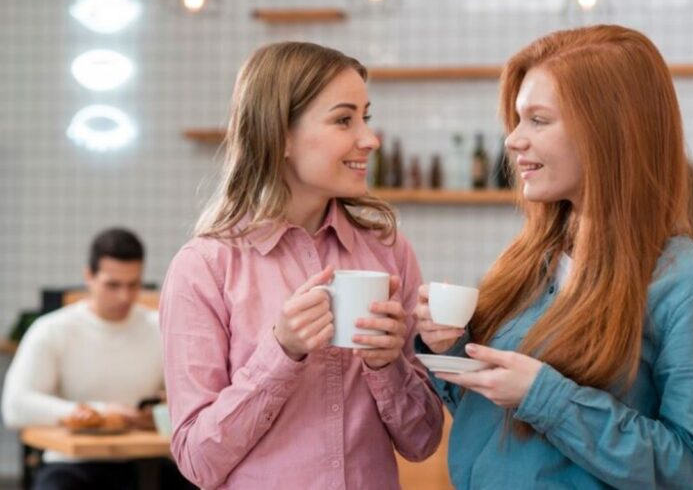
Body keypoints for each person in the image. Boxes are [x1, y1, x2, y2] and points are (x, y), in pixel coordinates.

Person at [415, 25, 693, 489]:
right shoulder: (530, 262)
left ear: (608, 130)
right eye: (516, 119)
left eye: (539, 120)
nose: (512, 140)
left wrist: (543, 396)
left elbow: (690, 473)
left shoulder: (689, 289)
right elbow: (497, 428)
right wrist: (448, 347)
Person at [159, 41, 443, 489]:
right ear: (281, 135)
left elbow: (423, 440)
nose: (369, 139)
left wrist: (389, 366)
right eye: (343, 119)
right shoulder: (204, 267)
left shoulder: (390, 252)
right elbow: (197, 460)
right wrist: (282, 351)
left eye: (365, 118)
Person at [2, 228, 193, 490]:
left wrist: (161, 409)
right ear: (88, 277)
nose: (124, 296)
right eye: (112, 285)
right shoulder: (53, 329)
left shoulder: (160, 328)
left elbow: (185, 397)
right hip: (72, 464)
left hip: (146, 461)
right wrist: (95, 414)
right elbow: (15, 406)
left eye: (133, 284)